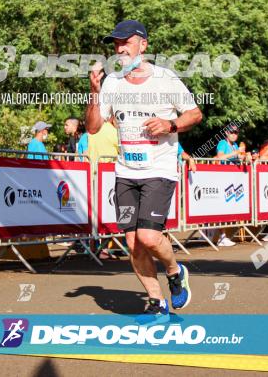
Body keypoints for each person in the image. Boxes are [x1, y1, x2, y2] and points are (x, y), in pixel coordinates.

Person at [86, 19, 202, 321]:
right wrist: (94, 92)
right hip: (126, 172)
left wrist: (170, 124)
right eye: (115, 43)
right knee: (132, 241)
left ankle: (175, 272)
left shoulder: (165, 78)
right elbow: (93, 127)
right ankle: (156, 301)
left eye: (126, 41)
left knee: (149, 238)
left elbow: (195, 113)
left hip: (159, 169)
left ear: (143, 45)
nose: (120, 48)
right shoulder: (112, 82)